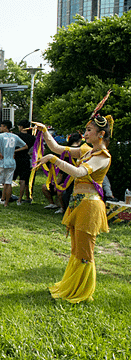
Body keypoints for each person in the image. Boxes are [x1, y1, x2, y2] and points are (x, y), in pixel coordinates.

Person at [34, 114, 113, 303]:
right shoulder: (87, 151)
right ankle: (71, 286)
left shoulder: (102, 157)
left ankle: (83, 291)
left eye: (89, 130)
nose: (85, 134)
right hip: (78, 203)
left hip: (90, 205)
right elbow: (58, 148)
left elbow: (79, 172)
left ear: (101, 134)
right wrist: (45, 132)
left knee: (85, 251)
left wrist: (54, 160)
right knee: (76, 249)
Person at [0, 120, 28, 207]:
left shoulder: (0, 136)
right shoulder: (15, 136)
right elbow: (25, 146)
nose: (0, 128)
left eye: (1, 126)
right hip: (12, 162)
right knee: (8, 183)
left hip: (3, 162)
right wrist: (15, 151)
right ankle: (6, 203)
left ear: (5, 127)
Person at [14, 120, 35, 205]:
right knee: (23, 179)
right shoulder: (32, 138)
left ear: (21, 127)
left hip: (16, 157)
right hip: (26, 158)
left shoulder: (16, 136)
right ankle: (21, 198)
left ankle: (7, 196)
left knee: (11, 178)